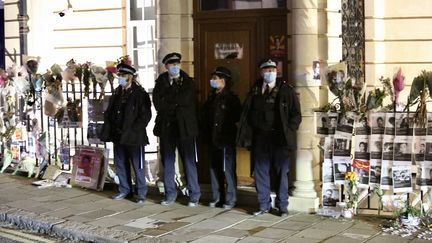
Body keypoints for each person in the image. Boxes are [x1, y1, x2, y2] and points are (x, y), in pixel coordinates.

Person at [237, 59, 302, 217]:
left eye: (272, 69)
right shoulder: (255, 90)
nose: (270, 72)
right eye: (267, 70)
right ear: (261, 72)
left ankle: (282, 206)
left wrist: (289, 129)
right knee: (260, 172)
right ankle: (264, 204)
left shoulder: (286, 90)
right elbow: (247, 112)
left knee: (281, 172)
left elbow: (296, 114)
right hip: (260, 138)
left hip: (279, 138)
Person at [153, 52, 201, 207]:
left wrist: (170, 102)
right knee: (168, 161)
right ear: (166, 66)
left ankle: (194, 194)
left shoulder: (187, 81)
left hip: (185, 127)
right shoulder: (161, 81)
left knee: (188, 161)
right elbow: (158, 103)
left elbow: (186, 100)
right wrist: (173, 103)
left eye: (177, 64)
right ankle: (170, 193)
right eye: (171, 64)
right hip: (167, 127)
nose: (175, 66)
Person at [101, 62, 152, 204]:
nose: (120, 78)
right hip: (119, 135)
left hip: (134, 136)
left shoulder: (140, 94)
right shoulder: (118, 92)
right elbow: (110, 112)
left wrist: (134, 128)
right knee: (120, 164)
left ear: (131, 77)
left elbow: (145, 115)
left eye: (123, 75)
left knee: (137, 165)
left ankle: (141, 193)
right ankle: (124, 190)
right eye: (119, 75)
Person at [200, 66, 241, 209]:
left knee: (227, 169)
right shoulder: (211, 97)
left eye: (215, 78)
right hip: (212, 138)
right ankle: (217, 197)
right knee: (214, 168)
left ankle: (231, 198)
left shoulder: (231, 98)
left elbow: (236, 116)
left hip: (225, 139)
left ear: (223, 80)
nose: (212, 80)